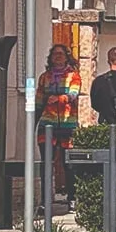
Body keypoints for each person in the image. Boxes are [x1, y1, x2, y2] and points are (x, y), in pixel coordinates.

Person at [36, 44, 81, 204]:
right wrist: (34, 121)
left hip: (68, 125)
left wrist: (60, 98)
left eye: (61, 54)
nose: (58, 57)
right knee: (46, 163)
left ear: (67, 57)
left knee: (69, 163)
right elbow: (39, 100)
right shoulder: (44, 77)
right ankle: (45, 200)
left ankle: (72, 198)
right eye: (55, 54)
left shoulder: (73, 76)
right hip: (46, 125)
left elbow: (73, 94)